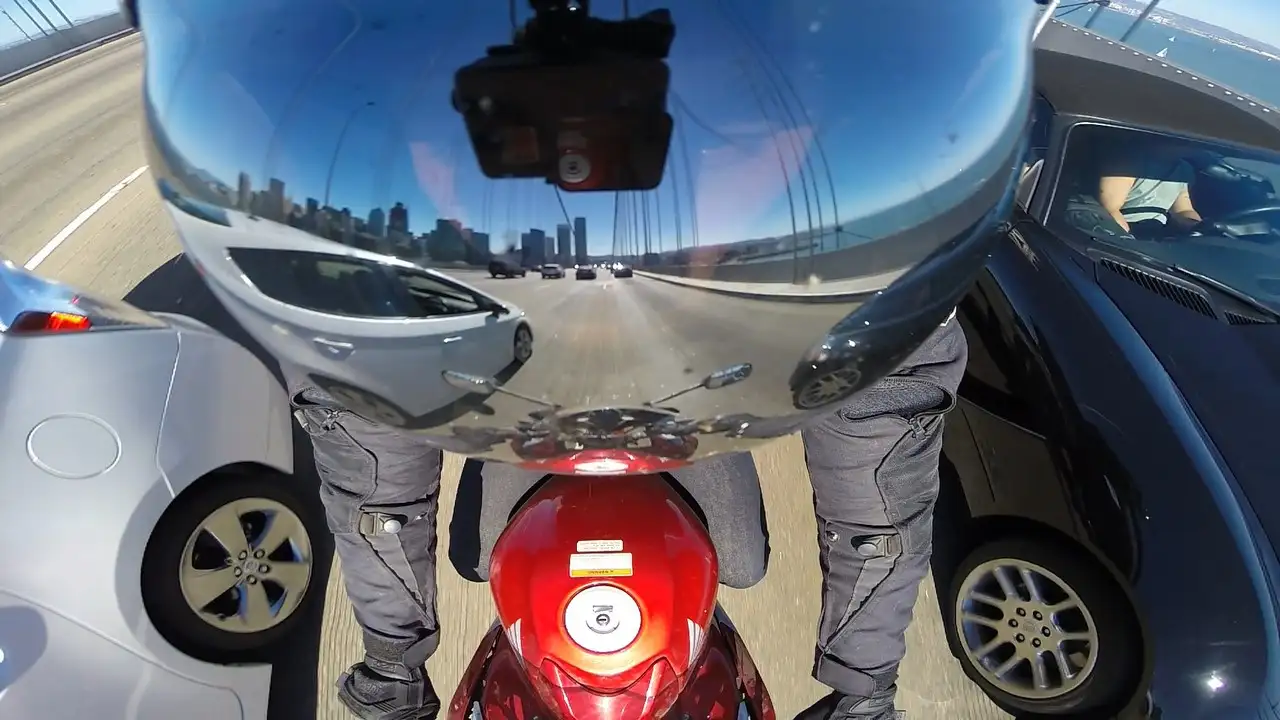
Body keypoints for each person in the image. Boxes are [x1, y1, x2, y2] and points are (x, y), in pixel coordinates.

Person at [126, 0, 1037, 718]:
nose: (582, 168)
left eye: (691, 122)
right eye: (515, 134)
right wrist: (865, 690)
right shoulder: (396, 276)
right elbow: (882, 474)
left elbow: (371, 480)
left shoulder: (844, 276)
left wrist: (393, 672)